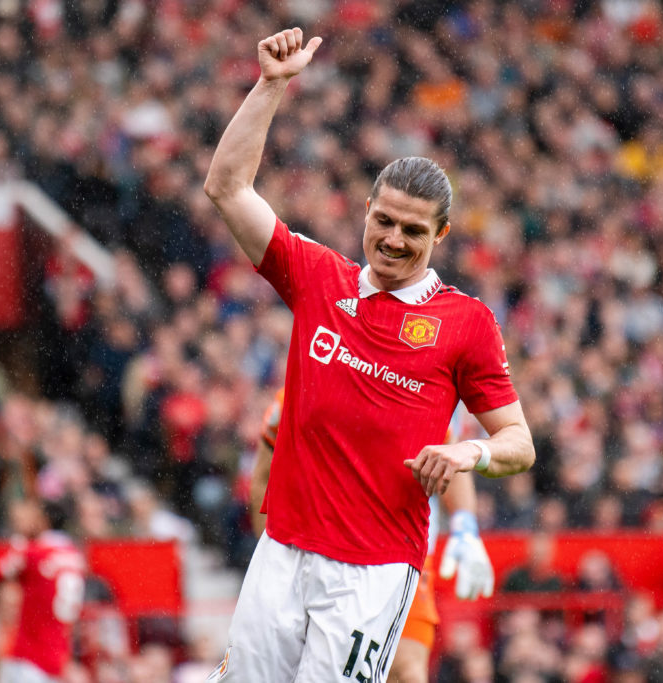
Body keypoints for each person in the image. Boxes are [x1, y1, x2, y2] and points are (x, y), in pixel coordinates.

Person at [204, 27, 535, 681]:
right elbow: (227, 186)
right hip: (283, 550)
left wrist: (469, 452)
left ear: (440, 234)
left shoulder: (466, 323)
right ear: (366, 211)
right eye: (383, 220)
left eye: (413, 229)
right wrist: (271, 86)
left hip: (375, 571)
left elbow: (519, 442)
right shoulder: (317, 276)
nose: (392, 238)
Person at [251, 391, 495, 683]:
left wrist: (465, 525)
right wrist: (271, 558)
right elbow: (264, 478)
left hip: (398, 551)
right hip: (322, 549)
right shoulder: (295, 393)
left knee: (407, 672)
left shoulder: (413, 393)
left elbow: (449, 454)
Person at [0, 499, 87, 683]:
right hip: (58, 655)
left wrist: (21, 539)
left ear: (43, 520)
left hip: (29, 656)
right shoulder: (75, 555)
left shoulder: (34, 553)